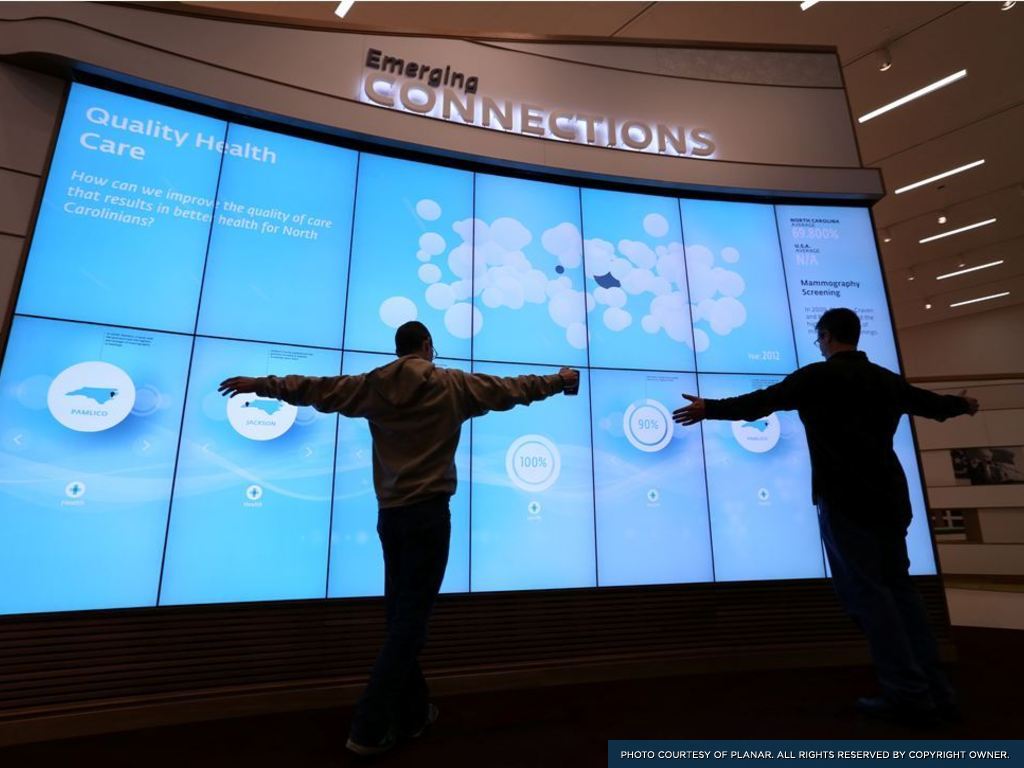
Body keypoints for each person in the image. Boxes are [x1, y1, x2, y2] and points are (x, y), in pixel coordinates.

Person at [219, 321, 579, 756]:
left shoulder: (373, 386)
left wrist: (263, 384)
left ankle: (413, 713)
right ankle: (368, 727)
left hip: (391, 517)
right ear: (427, 347)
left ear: (397, 349)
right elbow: (514, 388)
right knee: (410, 624)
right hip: (429, 516)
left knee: (400, 619)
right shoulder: (454, 385)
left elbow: (314, 388)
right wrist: (560, 381)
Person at [672, 307, 978, 724]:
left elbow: (759, 404)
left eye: (819, 338)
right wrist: (963, 406)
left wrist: (709, 408)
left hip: (845, 499)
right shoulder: (884, 379)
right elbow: (932, 405)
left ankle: (907, 692)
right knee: (900, 594)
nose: (818, 344)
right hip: (891, 498)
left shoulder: (816, 378)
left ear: (828, 336)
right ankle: (935, 690)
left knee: (868, 597)